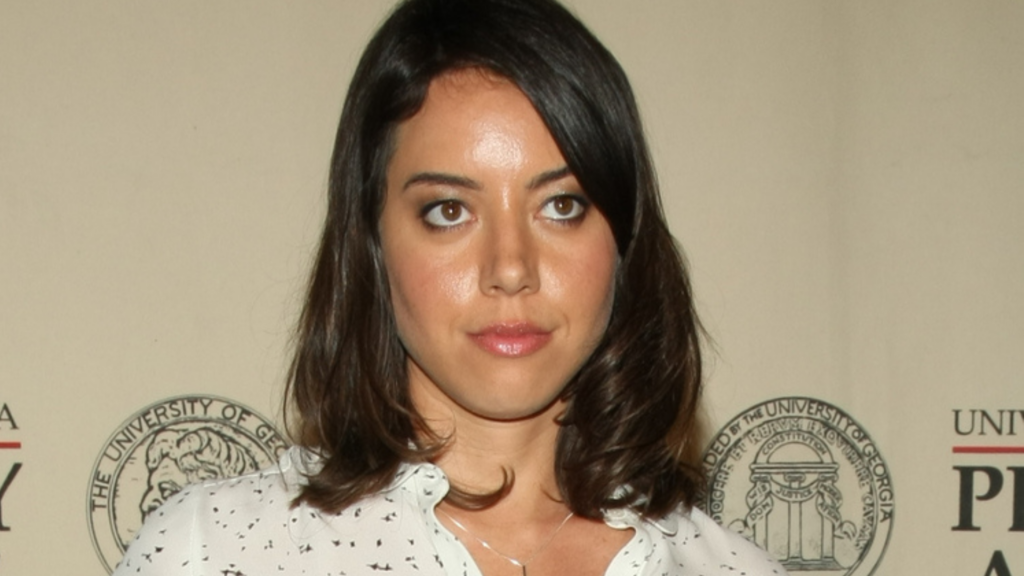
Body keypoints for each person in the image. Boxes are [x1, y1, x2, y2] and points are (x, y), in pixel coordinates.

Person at [113, 0, 789, 574]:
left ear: (623, 240)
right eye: (449, 210)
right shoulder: (219, 550)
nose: (510, 267)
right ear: (373, 240)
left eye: (561, 206)